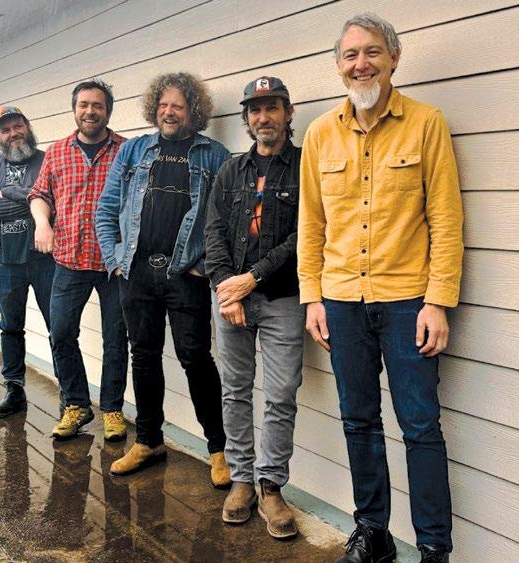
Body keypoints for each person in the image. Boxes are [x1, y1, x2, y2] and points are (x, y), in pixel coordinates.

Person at [298, 13, 463, 563]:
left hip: (408, 302)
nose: (361, 64)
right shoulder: (321, 133)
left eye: (371, 52)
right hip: (342, 301)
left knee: (420, 426)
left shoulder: (425, 123)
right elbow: (312, 224)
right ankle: (373, 532)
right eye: (350, 55)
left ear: (394, 58)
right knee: (359, 420)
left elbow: (446, 219)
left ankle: (434, 547)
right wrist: (313, 297)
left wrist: (437, 301)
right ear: (338, 66)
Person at [95, 72, 230, 486]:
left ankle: (220, 450)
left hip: (184, 275)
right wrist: (116, 260)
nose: (169, 112)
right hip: (136, 272)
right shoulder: (134, 150)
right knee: (144, 355)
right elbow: (107, 209)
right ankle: (149, 441)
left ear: (194, 111)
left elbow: (226, 220)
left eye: (178, 105)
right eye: (163, 105)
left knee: (196, 358)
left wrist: (204, 266)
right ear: (155, 108)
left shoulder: (214, 155)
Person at [204, 76, 304, 539]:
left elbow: (306, 235)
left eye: (272, 108)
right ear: (247, 119)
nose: (264, 118)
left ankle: (271, 486)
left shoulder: (305, 167)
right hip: (232, 299)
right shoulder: (231, 170)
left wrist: (253, 278)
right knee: (235, 390)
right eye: (255, 110)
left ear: (287, 113)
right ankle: (242, 479)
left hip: (283, 297)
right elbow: (213, 231)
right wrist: (226, 289)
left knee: (281, 393)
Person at [28, 79, 129, 441]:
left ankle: (113, 409)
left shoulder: (127, 151)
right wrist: (43, 223)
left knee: (115, 340)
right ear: (74, 109)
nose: (90, 111)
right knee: (61, 333)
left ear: (108, 111)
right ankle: (77, 404)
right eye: (84, 104)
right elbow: (40, 194)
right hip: (69, 260)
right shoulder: (57, 152)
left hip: (114, 264)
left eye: (97, 105)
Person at [0, 106, 53, 418]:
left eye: (18, 126)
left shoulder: (46, 160)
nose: (13, 134)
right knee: (10, 327)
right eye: (6, 130)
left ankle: (71, 397)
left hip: (45, 258)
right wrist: (32, 200)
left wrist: (6, 192)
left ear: (27, 126)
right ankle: (14, 390)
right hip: (5, 260)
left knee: (59, 327)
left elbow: (54, 202)